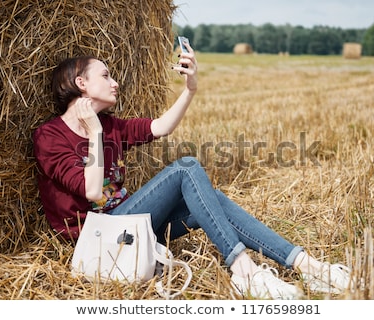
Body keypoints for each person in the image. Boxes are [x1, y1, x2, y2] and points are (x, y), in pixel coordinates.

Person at [33, 41, 354, 299]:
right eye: (105, 75)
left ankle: (308, 266)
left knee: (210, 199)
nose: (115, 82)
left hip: (134, 229)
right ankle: (244, 271)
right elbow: (90, 191)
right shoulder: (50, 137)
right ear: (81, 83)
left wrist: (190, 89)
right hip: (103, 240)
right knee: (186, 167)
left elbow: (160, 127)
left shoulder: (109, 125)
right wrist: (95, 134)